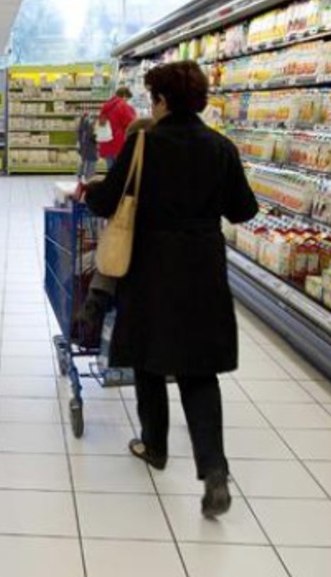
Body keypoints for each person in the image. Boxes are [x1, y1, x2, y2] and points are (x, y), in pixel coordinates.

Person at [83, 61, 259, 518]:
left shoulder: (145, 144)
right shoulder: (221, 147)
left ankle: (155, 445)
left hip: (151, 267)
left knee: (148, 360)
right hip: (202, 269)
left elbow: (107, 199)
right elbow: (244, 210)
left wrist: (90, 191)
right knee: (199, 373)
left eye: (152, 98)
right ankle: (214, 472)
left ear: (161, 101)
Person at [75, 116, 155, 349]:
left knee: (109, 257)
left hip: (130, 238)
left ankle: (95, 302)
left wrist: (92, 191)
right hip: (170, 254)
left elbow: (105, 200)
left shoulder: (134, 159)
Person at [97, 87, 136, 169]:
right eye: (127, 98)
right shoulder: (122, 105)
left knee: (111, 169)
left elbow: (101, 123)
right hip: (118, 142)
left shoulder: (105, 106)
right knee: (120, 169)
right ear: (124, 95)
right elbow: (130, 123)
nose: (127, 101)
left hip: (106, 141)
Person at [77, 112, 98, 181]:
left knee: (84, 160)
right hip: (90, 146)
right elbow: (91, 135)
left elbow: (81, 134)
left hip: (85, 145)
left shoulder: (83, 125)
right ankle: (89, 176)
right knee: (91, 160)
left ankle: (81, 174)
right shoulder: (90, 125)